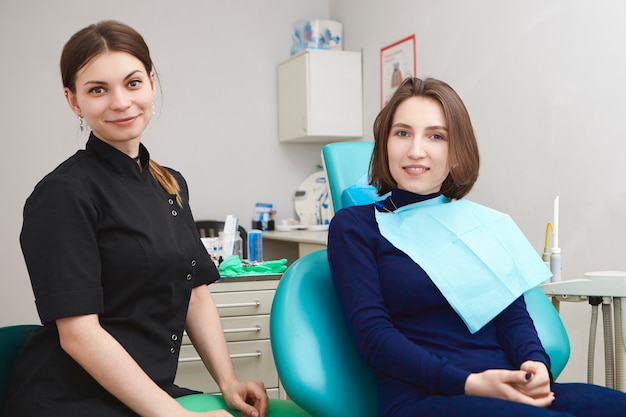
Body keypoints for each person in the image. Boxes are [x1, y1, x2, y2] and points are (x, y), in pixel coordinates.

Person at [3, 20, 304, 417]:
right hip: (74, 400)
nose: (121, 102)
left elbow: (194, 292)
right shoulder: (63, 194)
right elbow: (79, 336)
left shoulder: (170, 183)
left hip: (152, 394)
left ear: (152, 83)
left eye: (132, 83)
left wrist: (227, 380)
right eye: (98, 89)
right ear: (74, 101)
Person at [327, 77, 626, 417]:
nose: (415, 150)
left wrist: (535, 365)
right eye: (403, 133)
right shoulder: (356, 227)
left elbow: (514, 319)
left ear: (456, 153)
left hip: (504, 389)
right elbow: (373, 338)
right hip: (423, 400)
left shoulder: (482, 225)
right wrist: (470, 383)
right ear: (384, 145)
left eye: (435, 136)